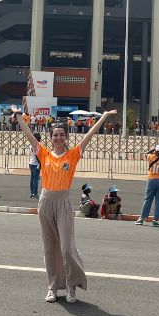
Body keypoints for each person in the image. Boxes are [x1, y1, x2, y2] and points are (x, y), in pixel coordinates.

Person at [14, 106, 116, 304]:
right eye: (55, 135)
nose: (59, 138)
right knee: (50, 248)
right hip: (45, 203)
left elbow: (90, 135)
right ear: (50, 137)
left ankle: (71, 286)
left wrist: (103, 117)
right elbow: (28, 134)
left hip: (63, 203)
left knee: (67, 247)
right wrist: (18, 116)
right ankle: (53, 287)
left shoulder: (73, 155)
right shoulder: (43, 153)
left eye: (62, 135)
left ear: (66, 137)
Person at [28, 133, 42, 199]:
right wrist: (40, 163)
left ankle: (32, 192)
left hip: (31, 163)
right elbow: (37, 155)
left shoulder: (31, 145)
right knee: (36, 179)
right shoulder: (37, 145)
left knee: (32, 179)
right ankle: (35, 193)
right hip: (35, 163)